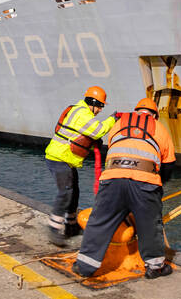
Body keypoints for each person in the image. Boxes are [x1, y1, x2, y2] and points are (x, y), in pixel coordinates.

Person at [72, 98, 176, 280]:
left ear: (136, 111)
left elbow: (111, 148)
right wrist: (158, 185)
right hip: (144, 182)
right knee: (150, 224)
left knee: (100, 221)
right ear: (154, 115)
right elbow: (168, 164)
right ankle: (155, 267)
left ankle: (84, 266)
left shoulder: (119, 124)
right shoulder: (159, 127)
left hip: (112, 178)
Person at [44, 86, 121, 246]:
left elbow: (80, 136)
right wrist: (113, 119)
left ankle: (71, 226)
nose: (100, 110)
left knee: (75, 191)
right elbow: (99, 130)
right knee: (65, 192)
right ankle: (53, 228)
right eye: (100, 106)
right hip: (59, 158)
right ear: (92, 102)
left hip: (65, 159)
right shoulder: (82, 113)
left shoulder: (80, 111)